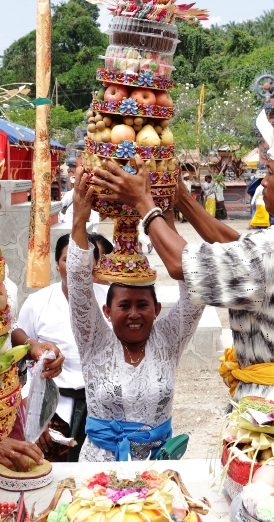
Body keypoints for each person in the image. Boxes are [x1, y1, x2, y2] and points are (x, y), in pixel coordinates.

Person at [91, 121, 274, 410]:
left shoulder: (273, 249)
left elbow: (179, 265)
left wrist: (143, 203)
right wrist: (183, 199)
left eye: (270, 172)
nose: (262, 182)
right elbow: (237, 245)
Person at [68, 170, 205, 460]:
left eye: (142, 305)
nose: (133, 314)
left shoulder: (168, 339)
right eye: (123, 305)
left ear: (156, 310)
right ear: (106, 311)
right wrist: (79, 220)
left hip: (157, 465)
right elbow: (79, 285)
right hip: (99, 466)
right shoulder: (94, 341)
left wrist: (166, 224)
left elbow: (195, 290)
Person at [12, 235, 96, 461]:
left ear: (95, 263)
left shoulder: (110, 301)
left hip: (101, 409)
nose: (76, 268)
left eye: (84, 261)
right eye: (68, 260)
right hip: (52, 408)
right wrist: (35, 410)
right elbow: (18, 346)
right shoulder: (38, 302)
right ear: (57, 264)